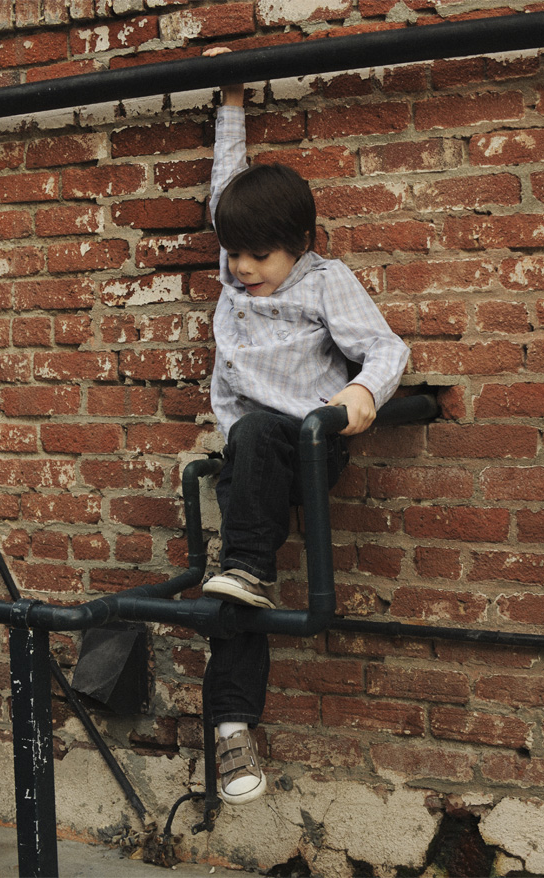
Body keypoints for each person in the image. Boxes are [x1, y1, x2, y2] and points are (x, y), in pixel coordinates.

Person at [198, 49, 409, 805]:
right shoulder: (234, 272)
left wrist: (360, 395)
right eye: (234, 253)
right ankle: (230, 730)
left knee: (250, 471)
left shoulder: (325, 281)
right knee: (233, 594)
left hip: (309, 447)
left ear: (301, 244)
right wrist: (230, 101)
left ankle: (246, 565)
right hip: (250, 460)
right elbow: (226, 188)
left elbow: (386, 346)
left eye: (260, 255)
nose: (244, 268)